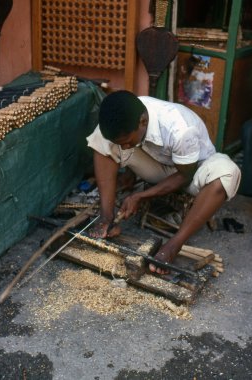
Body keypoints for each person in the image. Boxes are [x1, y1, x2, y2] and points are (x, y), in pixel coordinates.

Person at [86, 90, 241, 274]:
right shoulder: (128, 115)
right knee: (100, 139)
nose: (123, 147)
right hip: (160, 166)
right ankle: (106, 218)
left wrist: (141, 196)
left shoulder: (180, 128)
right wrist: (130, 171)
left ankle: (173, 246)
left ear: (143, 121)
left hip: (191, 172)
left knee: (227, 174)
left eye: (126, 142)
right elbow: (119, 143)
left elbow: (185, 176)